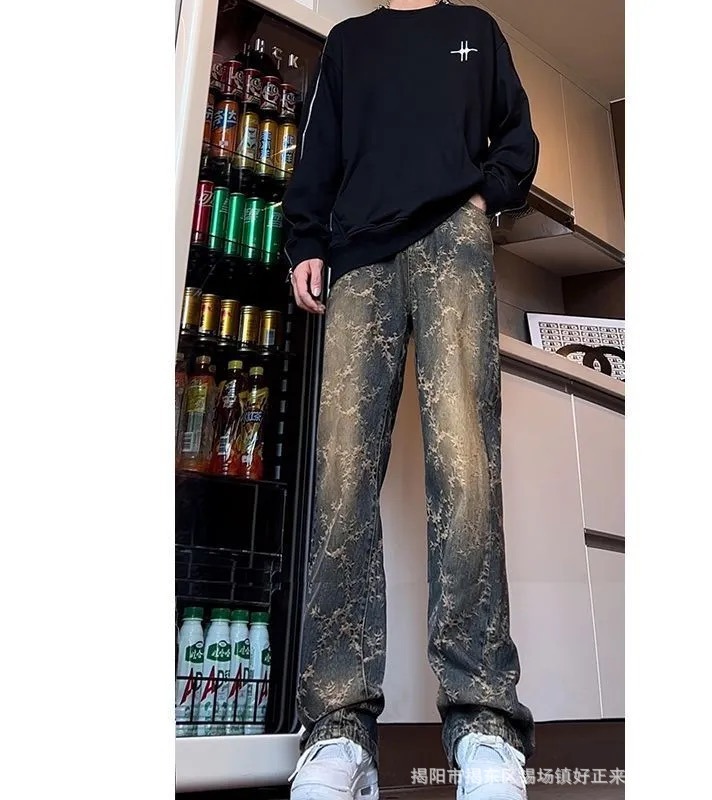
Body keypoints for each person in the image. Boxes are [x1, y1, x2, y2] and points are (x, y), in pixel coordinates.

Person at [282, 2, 539, 798]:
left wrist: (485, 196)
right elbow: (320, 149)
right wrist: (305, 239)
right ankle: (338, 734)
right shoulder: (350, 42)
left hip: (453, 243)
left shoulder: (476, 30)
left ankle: (484, 727)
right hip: (359, 256)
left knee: (465, 474)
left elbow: (517, 136)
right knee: (340, 480)